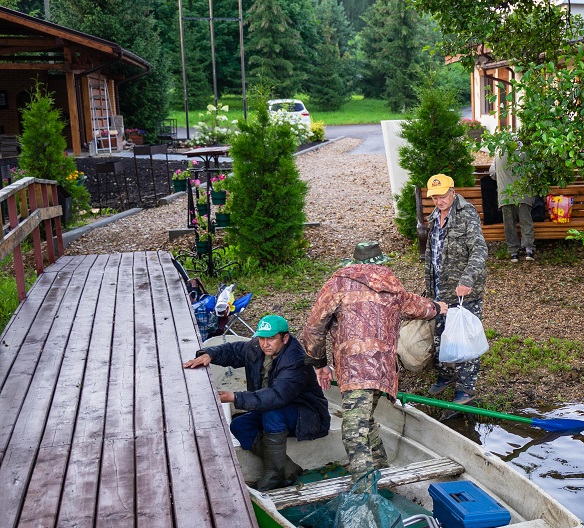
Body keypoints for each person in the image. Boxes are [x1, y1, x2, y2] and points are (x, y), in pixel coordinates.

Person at [301, 241, 448, 475]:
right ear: (379, 262)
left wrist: (319, 363)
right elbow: (415, 305)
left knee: (353, 430)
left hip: (354, 369)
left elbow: (313, 328)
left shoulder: (337, 284)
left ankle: (365, 491)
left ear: (354, 262)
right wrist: (437, 307)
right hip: (383, 370)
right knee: (365, 420)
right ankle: (381, 469)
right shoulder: (391, 285)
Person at [184, 314, 330, 490]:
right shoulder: (258, 347)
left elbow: (276, 396)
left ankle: (274, 474)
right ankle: (289, 468)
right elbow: (235, 350)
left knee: (272, 413)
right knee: (239, 425)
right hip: (275, 411)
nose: (265, 344)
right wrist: (210, 354)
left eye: (271, 338)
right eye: (261, 338)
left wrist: (234, 397)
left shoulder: (296, 361)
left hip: (308, 416)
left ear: (285, 338)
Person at [422, 174, 488, 406]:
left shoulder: (466, 214)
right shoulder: (433, 218)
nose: (438, 201)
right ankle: (447, 375)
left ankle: (466, 389)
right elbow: (433, 255)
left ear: (452, 192)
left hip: (463, 292)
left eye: (442, 197)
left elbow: (480, 251)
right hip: (440, 290)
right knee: (442, 336)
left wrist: (467, 280)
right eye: (434, 198)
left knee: (464, 340)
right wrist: (429, 288)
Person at [490, 138, 536, 262]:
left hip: (505, 195)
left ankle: (513, 252)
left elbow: (492, 174)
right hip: (523, 194)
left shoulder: (498, 153)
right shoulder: (525, 154)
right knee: (526, 221)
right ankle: (528, 250)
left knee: (509, 224)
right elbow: (535, 172)